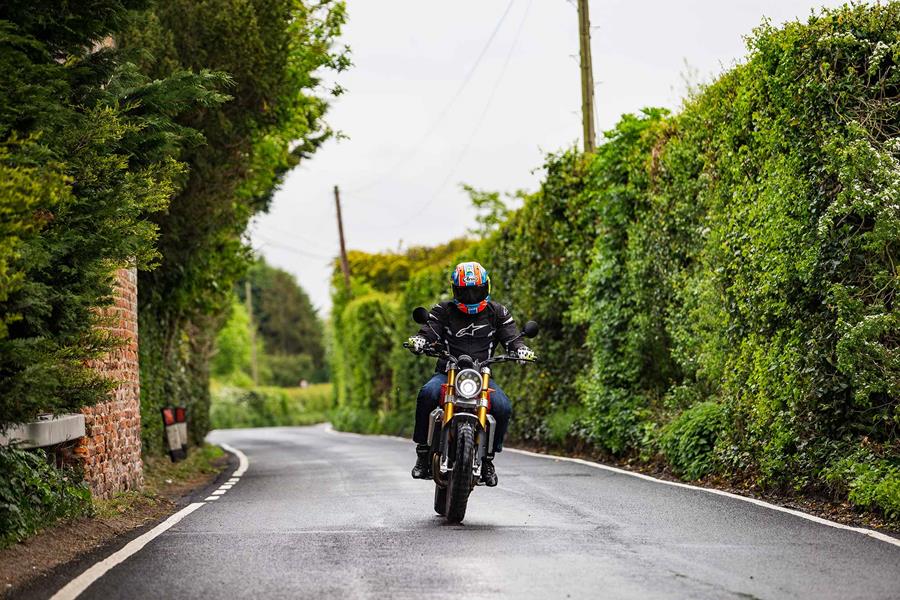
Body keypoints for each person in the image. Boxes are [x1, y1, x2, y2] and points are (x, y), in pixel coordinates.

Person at [406, 261, 535, 486]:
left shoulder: (498, 312)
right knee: (427, 393)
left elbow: (513, 338)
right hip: (447, 374)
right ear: (456, 290)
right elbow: (430, 330)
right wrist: (420, 340)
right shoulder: (443, 310)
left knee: (503, 406)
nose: (472, 295)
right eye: (466, 291)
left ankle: (488, 459)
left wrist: (521, 351)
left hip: (481, 378)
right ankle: (423, 452)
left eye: (477, 289)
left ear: (486, 287)